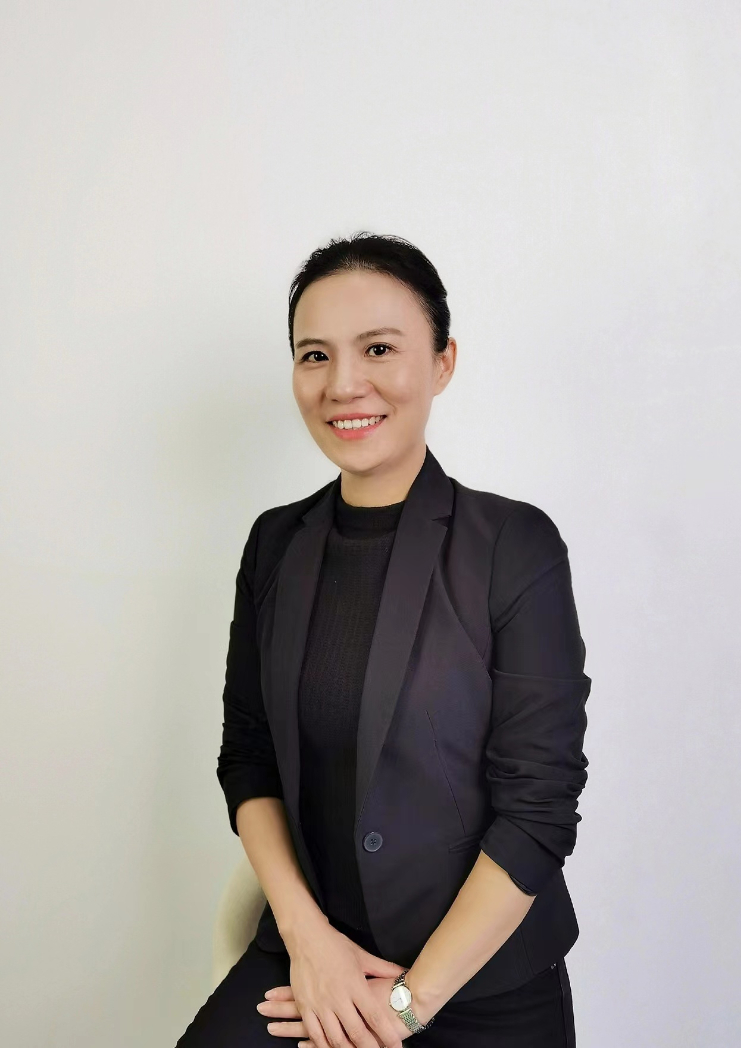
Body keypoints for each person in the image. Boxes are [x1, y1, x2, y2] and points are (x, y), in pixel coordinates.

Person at [177, 232, 590, 1047]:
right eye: (314, 355)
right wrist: (307, 940)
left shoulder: (514, 545)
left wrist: (406, 1006)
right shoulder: (274, 545)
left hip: (482, 980)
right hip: (315, 960)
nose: (342, 384)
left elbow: (539, 808)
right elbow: (248, 758)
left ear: (442, 362)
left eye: (378, 349)